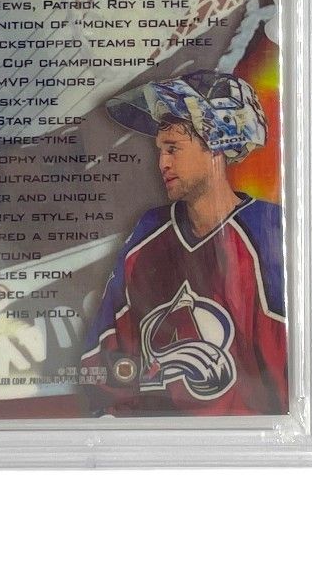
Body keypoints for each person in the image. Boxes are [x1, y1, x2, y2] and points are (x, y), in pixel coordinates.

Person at [81, 71, 288, 416]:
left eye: (173, 148)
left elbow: (294, 374)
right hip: (153, 439)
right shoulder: (148, 233)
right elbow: (104, 356)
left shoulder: (267, 230)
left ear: (216, 146)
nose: (163, 163)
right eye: (160, 150)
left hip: (245, 443)